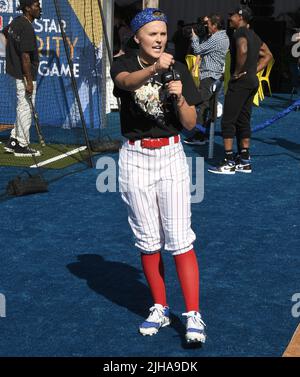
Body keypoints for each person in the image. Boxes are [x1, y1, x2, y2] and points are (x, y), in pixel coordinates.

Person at [110, 8, 206, 344]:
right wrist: (154, 68)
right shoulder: (122, 63)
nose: (159, 39)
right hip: (135, 156)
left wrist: (178, 96)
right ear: (137, 37)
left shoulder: (178, 68)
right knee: (148, 240)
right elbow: (125, 84)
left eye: (163, 34)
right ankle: (160, 307)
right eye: (152, 34)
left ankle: (193, 316)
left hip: (171, 155)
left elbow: (192, 123)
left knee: (180, 237)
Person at [208, 5, 273, 174]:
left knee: (228, 121)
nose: (230, 18)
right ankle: (244, 160)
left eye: (233, 15)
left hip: (241, 83)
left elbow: (243, 50)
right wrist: (253, 71)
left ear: (241, 17)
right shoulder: (254, 34)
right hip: (251, 82)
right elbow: (268, 55)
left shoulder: (239, 33)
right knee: (243, 120)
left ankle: (228, 161)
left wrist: (237, 73)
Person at [3, 0, 42, 157]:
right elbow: (25, 57)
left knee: (22, 107)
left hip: (15, 72)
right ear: (27, 8)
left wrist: (11, 54)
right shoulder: (26, 27)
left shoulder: (17, 22)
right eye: (36, 6)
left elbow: (4, 34)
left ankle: (13, 140)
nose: (39, 9)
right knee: (26, 108)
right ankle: (21, 145)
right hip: (24, 75)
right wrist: (28, 80)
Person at [184, 14, 229, 145]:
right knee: (210, 106)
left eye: (208, 24)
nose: (206, 27)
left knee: (203, 106)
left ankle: (199, 136)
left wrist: (194, 37)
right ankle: (207, 133)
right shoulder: (221, 36)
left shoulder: (216, 38)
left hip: (209, 76)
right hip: (215, 75)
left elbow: (197, 49)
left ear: (215, 26)